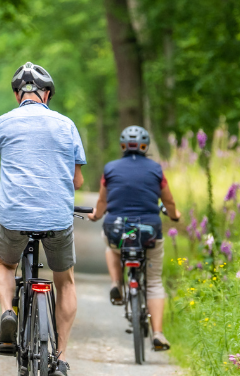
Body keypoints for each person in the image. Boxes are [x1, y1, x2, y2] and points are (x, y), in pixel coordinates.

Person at [0, 62, 86, 376]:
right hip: (58, 217)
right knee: (65, 279)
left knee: (5, 265)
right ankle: (59, 358)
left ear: (18, 94)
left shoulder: (3, 122)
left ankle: (7, 312)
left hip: (15, 215)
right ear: (47, 94)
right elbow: (78, 181)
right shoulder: (66, 125)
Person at [87, 125, 180, 351]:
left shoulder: (110, 169)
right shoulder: (156, 169)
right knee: (155, 282)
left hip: (117, 230)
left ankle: (117, 283)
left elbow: (102, 202)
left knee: (110, 245)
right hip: (149, 231)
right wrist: (175, 215)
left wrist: (96, 215)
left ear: (122, 146)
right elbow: (168, 201)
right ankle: (158, 333)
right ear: (145, 146)